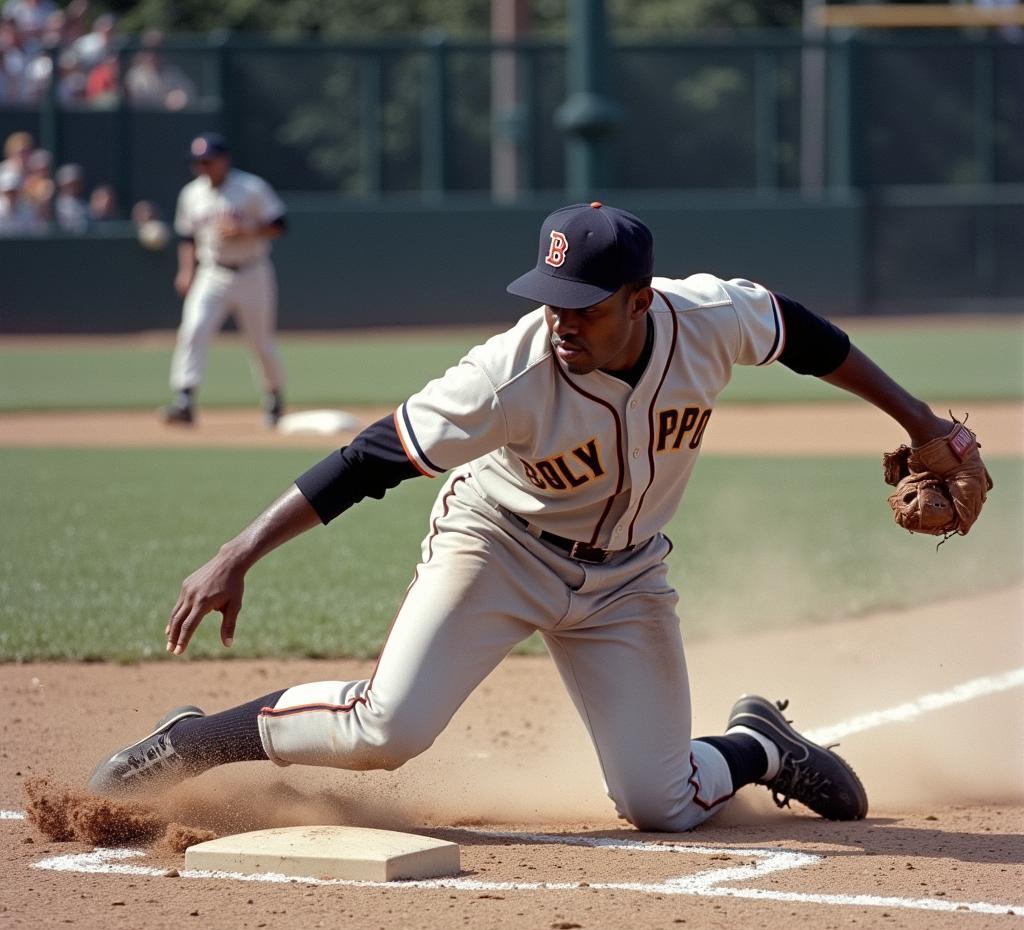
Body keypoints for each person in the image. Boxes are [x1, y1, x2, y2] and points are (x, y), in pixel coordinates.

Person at [88, 201, 967, 831]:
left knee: (661, 805)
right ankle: (196, 742)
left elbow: (807, 338)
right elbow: (367, 459)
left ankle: (759, 746)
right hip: (498, 547)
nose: (560, 319)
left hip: (626, 577)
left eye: (582, 302)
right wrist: (238, 552)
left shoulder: (710, 318)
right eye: (549, 296)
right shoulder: (506, 375)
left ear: (640, 297)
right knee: (386, 731)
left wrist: (921, 424)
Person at [160, 132, 287, 427]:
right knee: (193, 330)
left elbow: (280, 224)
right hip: (212, 273)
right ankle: (185, 400)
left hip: (253, 272)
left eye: (208, 161)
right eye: (197, 162)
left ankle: (274, 397)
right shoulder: (191, 194)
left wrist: (248, 231)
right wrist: (186, 270)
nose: (202, 167)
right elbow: (187, 237)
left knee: (260, 342)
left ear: (223, 160)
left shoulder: (251, 187)